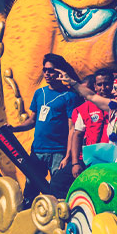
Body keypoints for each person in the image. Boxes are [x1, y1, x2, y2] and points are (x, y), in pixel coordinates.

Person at [7, 53, 80, 198]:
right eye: (44, 70)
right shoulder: (39, 93)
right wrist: (15, 128)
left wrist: (68, 156)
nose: (46, 73)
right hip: (37, 151)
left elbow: (73, 128)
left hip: (59, 152)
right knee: (31, 189)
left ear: (60, 71)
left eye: (51, 70)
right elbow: (32, 120)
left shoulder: (69, 96)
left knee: (57, 192)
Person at [57, 70, 117, 161]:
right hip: (115, 160)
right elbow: (92, 96)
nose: (112, 91)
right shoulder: (116, 107)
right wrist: (72, 82)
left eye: (116, 88)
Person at [70, 70, 113, 178]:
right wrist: (75, 163)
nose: (103, 88)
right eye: (99, 84)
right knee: (58, 182)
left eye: (107, 84)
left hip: (114, 159)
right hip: (91, 160)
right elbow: (77, 135)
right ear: (95, 86)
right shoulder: (86, 108)